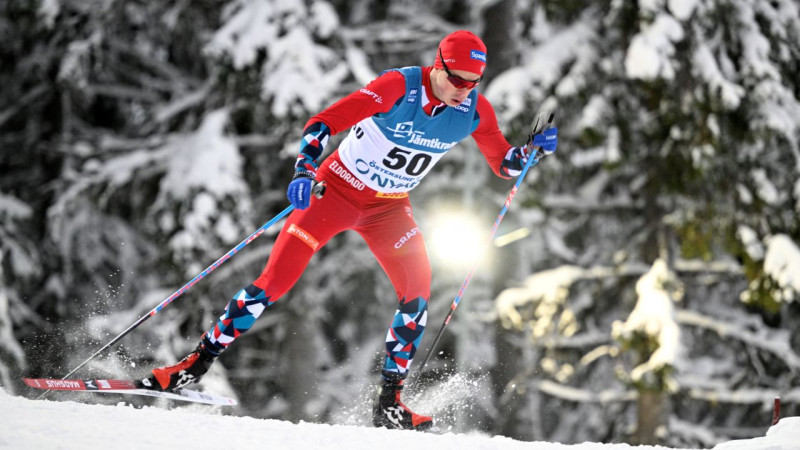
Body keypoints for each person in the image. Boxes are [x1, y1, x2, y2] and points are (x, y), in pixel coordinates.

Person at [139, 30, 558, 431]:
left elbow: (504, 164)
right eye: (456, 79)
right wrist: (304, 169)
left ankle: (389, 405)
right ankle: (192, 366)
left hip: (388, 208)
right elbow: (323, 122)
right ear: (437, 66)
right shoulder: (399, 87)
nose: (463, 90)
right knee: (275, 282)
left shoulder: (474, 111)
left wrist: (531, 152)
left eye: (473, 82)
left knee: (417, 294)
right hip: (334, 192)